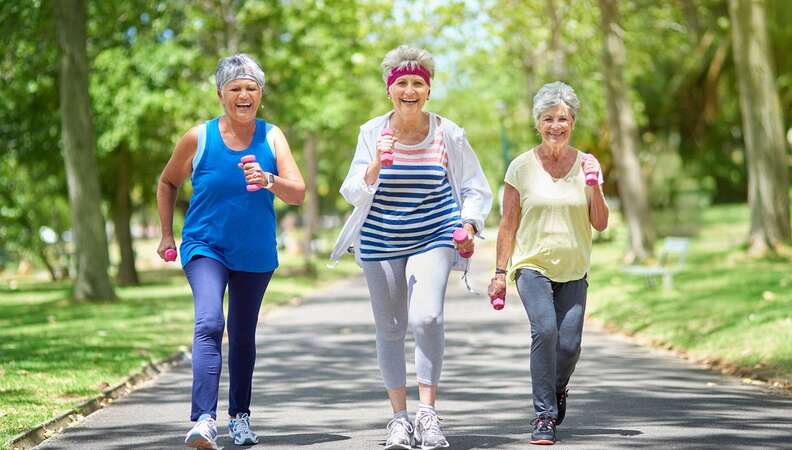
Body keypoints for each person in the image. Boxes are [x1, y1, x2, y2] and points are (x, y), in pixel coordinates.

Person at [331, 45, 492, 450]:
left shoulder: (448, 133)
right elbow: (351, 190)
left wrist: (470, 222)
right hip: (381, 238)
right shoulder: (371, 132)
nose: (409, 89)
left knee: (427, 318)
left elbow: (475, 186)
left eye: (417, 82)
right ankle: (399, 420)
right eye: (401, 83)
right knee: (390, 328)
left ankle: (428, 414)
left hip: (434, 234)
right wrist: (374, 166)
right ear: (389, 90)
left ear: (428, 90)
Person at [156, 54, 305, 449]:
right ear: (221, 94)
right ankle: (204, 420)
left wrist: (270, 179)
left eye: (251, 88)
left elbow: (299, 193)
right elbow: (168, 181)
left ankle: (239, 416)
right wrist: (167, 235)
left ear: (261, 94)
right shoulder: (198, 137)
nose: (244, 95)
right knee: (208, 323)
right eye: (235, 88)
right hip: (205, 246)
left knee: (242, 335)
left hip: (254, 253)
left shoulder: (273, 136)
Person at [488, 81, 609, 445]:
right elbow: (508, 223)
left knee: (569, 345)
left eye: (562, 118)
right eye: (548, 119)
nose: (555, 126)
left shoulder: (586, 164)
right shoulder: (521, 167)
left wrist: (596, 185)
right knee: (545, 330)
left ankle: (557, 390)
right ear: (537, 123)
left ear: (572, 122)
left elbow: (600, 223)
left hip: (574, 267)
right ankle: (543, 416)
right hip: (532, 265)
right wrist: (498, 273)